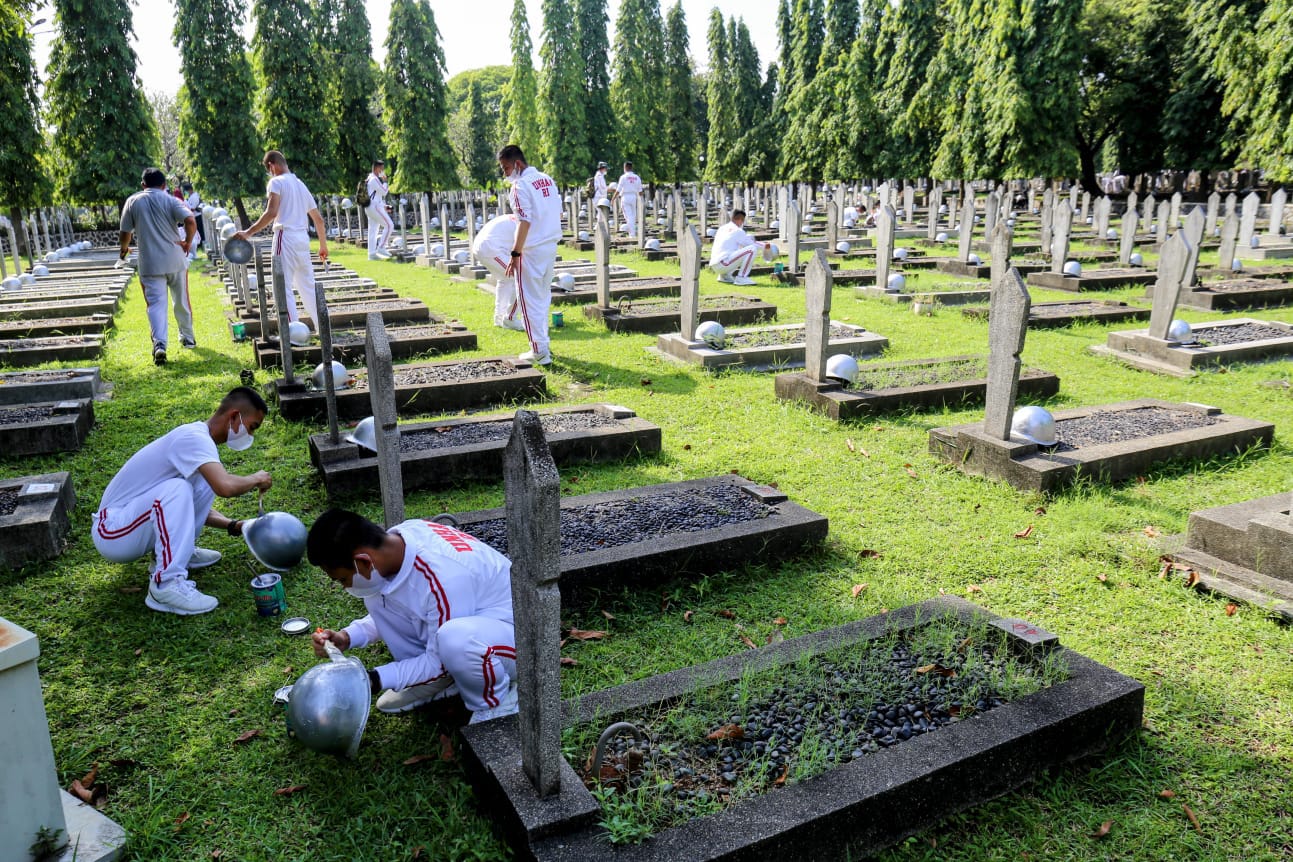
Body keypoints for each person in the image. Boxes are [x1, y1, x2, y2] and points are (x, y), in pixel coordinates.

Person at [307, 509, 518, 724]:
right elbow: (406, 604)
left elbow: (442, 658)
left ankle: (495, 702)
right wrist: (348, 636)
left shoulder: (443, 577)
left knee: (455, 641)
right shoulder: (398, 545)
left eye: (343, 579)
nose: (344, 587)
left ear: (363, 561)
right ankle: (441, 681)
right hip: (474, 623)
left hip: (517, 636)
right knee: (377, 593)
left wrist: (373, 679)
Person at [93, 387, 273, 616]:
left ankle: (179, 554)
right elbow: (225, 487)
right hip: (111, 531)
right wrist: (256, 478)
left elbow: (185, 507)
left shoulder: (201, 443)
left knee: (199, 485)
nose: (251, 435)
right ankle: (166, 584)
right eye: (252, 427)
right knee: (179, 488)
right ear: (234, 416)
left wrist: (233, 525)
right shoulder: (193, 438)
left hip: (132, 524)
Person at [234, 150, 329, 336]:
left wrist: (248, 232)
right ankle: (323, 329)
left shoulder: (276, 182)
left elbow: (271, 212)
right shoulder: (301, 185)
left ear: (271, 166)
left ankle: (293, 332)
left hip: (285, 237)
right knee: (308, 287)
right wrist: (323, 246)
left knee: (282, 286)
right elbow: (318, 220)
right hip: (303, 238)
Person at [119, 167, 199, 365]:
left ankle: (160, 344)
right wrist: (188, 242)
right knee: (181, 300)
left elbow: (125, 233)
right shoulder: (171, 200)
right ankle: (188, 338)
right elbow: (190, 220)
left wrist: (123, 249)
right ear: (164, 185)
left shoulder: (133, 201)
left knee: (155, 305)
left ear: (143, 185)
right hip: (175, 259)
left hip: (150, 263)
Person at [499, 144, 562, 366]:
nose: (505, 173)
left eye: (506, 168)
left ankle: (539, 350)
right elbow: (557, 211)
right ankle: (542, 344)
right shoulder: (547, 179)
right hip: (550, 245)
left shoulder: (520, 186)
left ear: (517, 164)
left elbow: (524, 221)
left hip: (532, 248)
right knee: (542, 298)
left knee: (528, 300)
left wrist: (515, 253)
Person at [471, 213, 525, 331]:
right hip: (491, 248)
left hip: (482, 246)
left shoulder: (517, 217)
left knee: (505, 279)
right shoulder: (528, 223)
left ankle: (499, 318)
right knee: (523, 279)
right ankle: (510, 319)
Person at [709, 209, 768, 286]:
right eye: (742, 220)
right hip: (723, 264)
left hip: (715, 265)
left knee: (739, 249)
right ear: (741, 219)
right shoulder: (737, 230)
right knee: (751, 249)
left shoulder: (722, 228)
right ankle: (742, 278)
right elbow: (751, 244)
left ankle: (724, 276)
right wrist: (765, 246)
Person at [364, 159, 393, 260]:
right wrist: (385, 181)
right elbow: (384, 191)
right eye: (382, 169)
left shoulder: (370, 178)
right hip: (374, 207)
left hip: (370, 207)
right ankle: (381, 247)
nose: (383, 171)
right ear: (377, 168)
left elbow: (378, 195)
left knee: (373, 230)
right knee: (389, 225)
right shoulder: (374, 179)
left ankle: (371, 254)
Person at [613, 161, 643, 237]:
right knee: (633, 216)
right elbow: (640, 191)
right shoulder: (637, 177)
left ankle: (632, 234)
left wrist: (613, 198)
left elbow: (618, 189)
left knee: (628, 217)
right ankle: (633, 233)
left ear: (625, 167)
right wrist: (642, 201)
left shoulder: (623, 177)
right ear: (631, 168)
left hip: (625, 197)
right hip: (634, 197)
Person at [183, 182, 204, 260]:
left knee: (199, 232)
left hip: (196, 216)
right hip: (193, 216)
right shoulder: (191, 196)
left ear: (189, 190)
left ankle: (200, 245)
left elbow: (193, 208)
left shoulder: (194, 196)